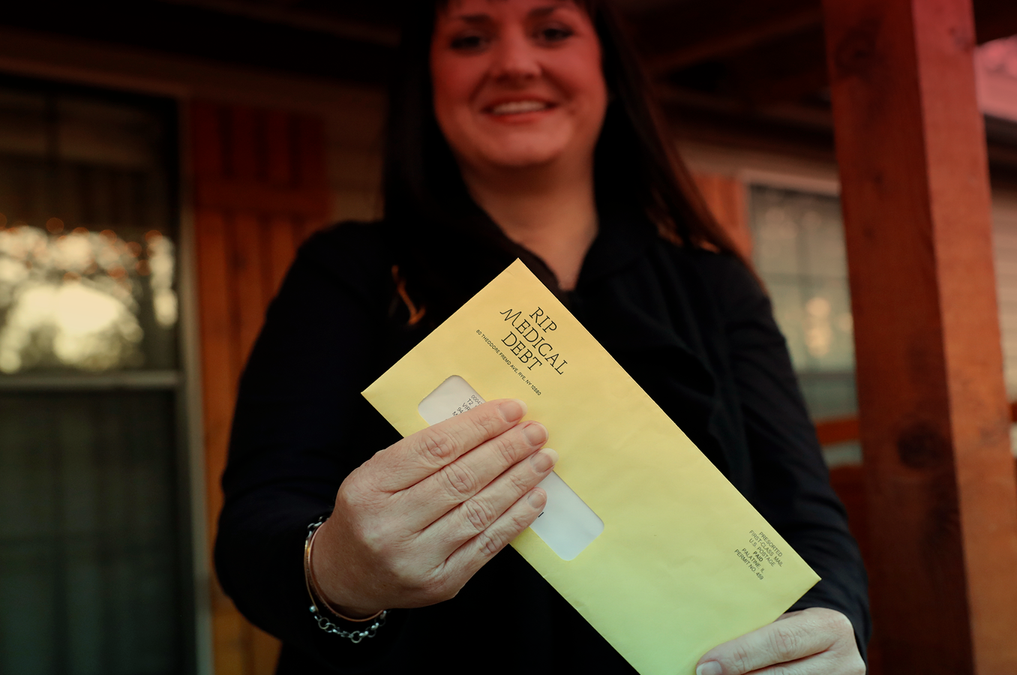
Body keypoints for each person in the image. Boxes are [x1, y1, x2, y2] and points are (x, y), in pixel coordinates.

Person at [214, 0, 869, 673]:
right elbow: (254, 526)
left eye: (552, 31)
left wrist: (826, 629)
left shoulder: (715, 286)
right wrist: (338, 570)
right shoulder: (348, 273)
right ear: (427, 78)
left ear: (607, 67)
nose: (514, 63)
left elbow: (808, 521)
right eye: (470, 38)